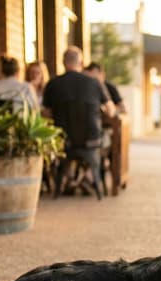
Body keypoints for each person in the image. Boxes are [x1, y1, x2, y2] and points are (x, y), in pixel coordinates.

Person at [42, 46, 115, 200]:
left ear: (63, 62)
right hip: (91, 141)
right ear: (81, 63)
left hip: (64, 142)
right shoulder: (94, 83)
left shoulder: (53, 84)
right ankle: (88, 178)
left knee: (63, 150)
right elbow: (111, 111)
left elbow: (46, 114)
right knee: (108, 140)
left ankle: (71, 179)